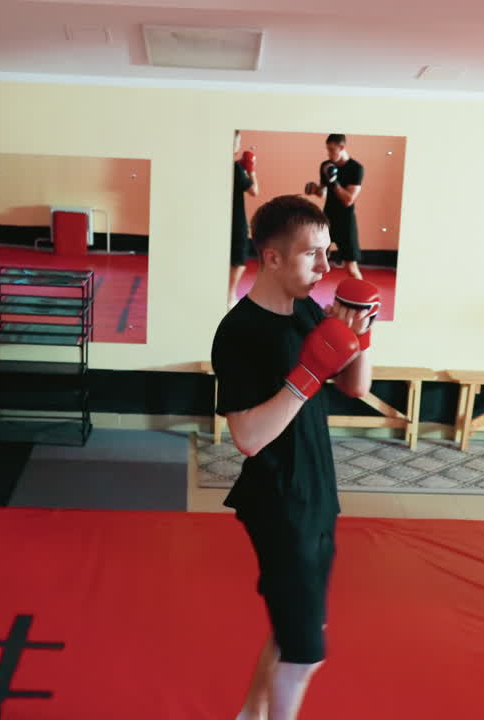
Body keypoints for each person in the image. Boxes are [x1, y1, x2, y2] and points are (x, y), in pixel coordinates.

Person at [211, 194, 378, 720]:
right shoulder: (238, 332)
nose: (326, 267)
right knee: (305, 653)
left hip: (319, 491)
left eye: (330, 253)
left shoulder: (308, 310)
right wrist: (305, 378)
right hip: (280, 500)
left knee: (293, 631)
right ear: (274, 257)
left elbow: (354, 387)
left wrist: (359, 334)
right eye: (313, 255)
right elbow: (248, 437)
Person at [304, 134, 364, 281]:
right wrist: (314, 189)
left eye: (332, 150)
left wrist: (334, 181)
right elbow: (323, 193)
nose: (329, 154)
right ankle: (302, 300)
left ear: (342, 147)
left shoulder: (356, 168)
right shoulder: (326, 165)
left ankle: (362, 302)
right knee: (313, 262)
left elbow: (348, 200)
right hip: (327, 219)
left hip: (346, 222)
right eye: (328, 150)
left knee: (351, 268)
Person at [230, 131, 260, 308]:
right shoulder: (234, 168)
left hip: (221, 215)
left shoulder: (226, 166)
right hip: (235, 217)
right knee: (239, 259)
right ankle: (229, 296)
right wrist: (251, 169)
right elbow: (254, 191)